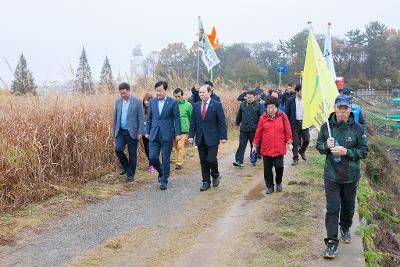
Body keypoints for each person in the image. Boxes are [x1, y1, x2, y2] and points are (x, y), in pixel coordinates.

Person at [316, 94, 368, 259]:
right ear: (335, 109)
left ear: (350, 109)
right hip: (331, 175)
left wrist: (347, 152)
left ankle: (345, 227)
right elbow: (319, 146)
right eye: (340, 108)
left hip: (351, 175)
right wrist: (326, 145)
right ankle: (331, 242)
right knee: (332, 209)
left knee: (348, 207)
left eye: (346, 109)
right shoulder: (327, 127)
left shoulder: (358, 128)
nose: (342, 112)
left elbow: (363, 151)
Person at [188, 84, 228, 191]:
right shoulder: (196, 106)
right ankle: (206, 181)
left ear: (209, 93)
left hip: (213, 137)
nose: (201, 94)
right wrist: (191, 135)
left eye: (203, 92)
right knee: (203, 160)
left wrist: (223, 136)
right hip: (200, 137)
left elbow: (221, 122)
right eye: (199, 92)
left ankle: (215, 175)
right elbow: (193, 123)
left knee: (211, 159)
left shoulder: (216, 105)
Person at [252, 96, 293, 194]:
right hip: (266, 148)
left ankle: (278, 182)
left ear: (277, 107)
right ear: (266, 107)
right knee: (267, 170)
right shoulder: (262, 118)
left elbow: (288, 130)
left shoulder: (283, 116)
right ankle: (270, 186)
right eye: (269, 107)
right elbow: (258, 133)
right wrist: (254, 145)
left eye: (273, 107)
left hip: (279, 148)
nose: (271, 109)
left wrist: (289, 143)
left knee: (279, 167)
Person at [145, 81, 182, 190]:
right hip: (154, 134)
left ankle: (164, 180)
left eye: (160, 90)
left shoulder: (173, 102)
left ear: (165, 90)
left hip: (167, 134)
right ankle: (162, 171)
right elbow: (149, 118)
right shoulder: (152, 102)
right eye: (156, 91)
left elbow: (177, 118)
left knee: (166, 158)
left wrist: (178, 133)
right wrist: (147, 131)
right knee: (152, 157)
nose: (158, 93)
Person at [112, 82, 145, 182]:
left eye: (124, 93)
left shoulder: (137, 101)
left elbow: (140, 117)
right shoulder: (118, 101)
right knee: (118, 149)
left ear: (129, 91)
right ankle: (125, 165)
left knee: (132, 154)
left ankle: (130, 174)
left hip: (132, 132)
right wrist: (114, 131)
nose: (123, 95)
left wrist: (140, 132)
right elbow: (115, 117)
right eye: (121, 93)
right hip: (120, 131)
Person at [233, 89, 263, 167]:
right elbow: (239, 115)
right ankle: (239, 160)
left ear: (254, 97)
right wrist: (237, 123)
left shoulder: (258, 105)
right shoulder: (242, 104)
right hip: (244, 129)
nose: (249, 99)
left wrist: (261, 128)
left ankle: (253, 159)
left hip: (254, 129)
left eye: (251, 97)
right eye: (248, 97)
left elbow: (261, 117)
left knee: (254, 145)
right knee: (242, 145)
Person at [285, 84, 310, 166]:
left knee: (306, 140)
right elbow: (287, 113)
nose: (303, 92)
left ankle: (302, 151)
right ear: (297, 91)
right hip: (294, 123)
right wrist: (287, 124)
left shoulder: (307, 100)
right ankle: (295, 158)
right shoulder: (290, 100)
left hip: (304, 123)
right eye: (302, 91)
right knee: (295, 142)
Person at [173, 88, 193, 170]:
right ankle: (180, 158)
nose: (177, 98)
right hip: (173, 129)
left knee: (180, 146)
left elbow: (191, 118)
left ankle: (179, 163)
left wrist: (191, 131)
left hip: (184, 129)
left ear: (182, 95)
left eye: (179, 96)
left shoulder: (188, 105)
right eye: (175, 97)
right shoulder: (172, 104)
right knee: (176, 146)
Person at [142, 93, 155, 173]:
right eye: (145, 100)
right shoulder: (141, 109)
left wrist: (148, 123)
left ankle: (151, 165)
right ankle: (152, 161)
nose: (146, 102)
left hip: (151, 132)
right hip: (143, 132)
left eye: (148, 100)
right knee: (146, 150)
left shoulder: (154, 108)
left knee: (149, 148)